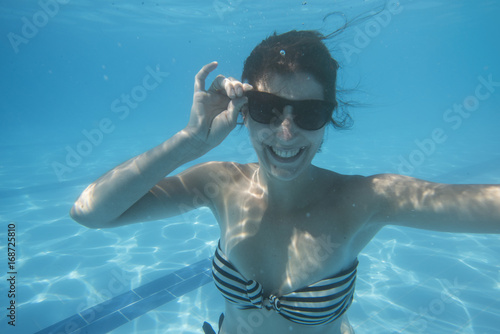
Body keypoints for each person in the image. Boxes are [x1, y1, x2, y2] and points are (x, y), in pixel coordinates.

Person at [70, 30, 500, 334]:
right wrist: (189, 142)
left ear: (330, 117)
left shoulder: (367, 199)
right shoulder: (220, 183)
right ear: (244, 111)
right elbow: (90, 212)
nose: (287, 133)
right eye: (268, 109)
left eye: (309, 113)